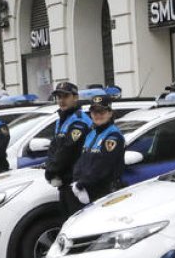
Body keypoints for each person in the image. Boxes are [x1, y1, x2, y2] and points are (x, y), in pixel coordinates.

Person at [43, 82, 92, 219]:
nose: (61, 100)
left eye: (65, 96)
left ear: (75, 98)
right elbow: (54, 147)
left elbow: (68, 150)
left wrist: (51, 171)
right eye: (58, 97)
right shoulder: (62, 119)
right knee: (66, 221)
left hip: (76, 183)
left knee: (77, 223)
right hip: (64, 181)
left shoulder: (79, 121)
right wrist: (50, 168)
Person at [69, 94, 126, 204]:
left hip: (105, 192)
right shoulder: (92, 133)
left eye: (102, 112)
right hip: (88, 189)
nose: (98, 115)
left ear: (110, 113)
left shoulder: (113, 137)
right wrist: (76, 180)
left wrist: (82, 183)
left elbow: (103, 166)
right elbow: (83, 159)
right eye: (95, 112)